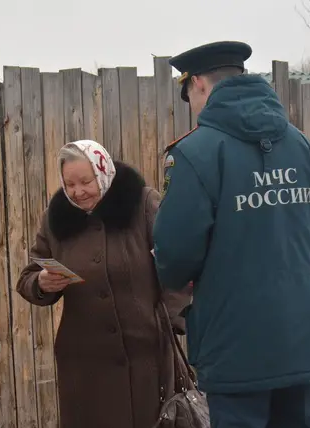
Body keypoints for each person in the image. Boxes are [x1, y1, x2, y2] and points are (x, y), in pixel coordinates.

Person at [151, 41, 310, 428]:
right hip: (300, 336)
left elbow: (175, 255)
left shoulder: (195, 153)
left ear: (198, 84)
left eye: (188, 97)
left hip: (235, 343)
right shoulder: (300, 144)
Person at [15, 140, 192, 428]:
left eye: (86, 181)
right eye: (69, 184)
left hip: (145, 355)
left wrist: (177, 319)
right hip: (84, 363)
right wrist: (42, 282)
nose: (78, 191)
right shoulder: (55, 220)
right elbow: (28, 276)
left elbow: (174, 260)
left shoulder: (142, 204)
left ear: (103, 172)